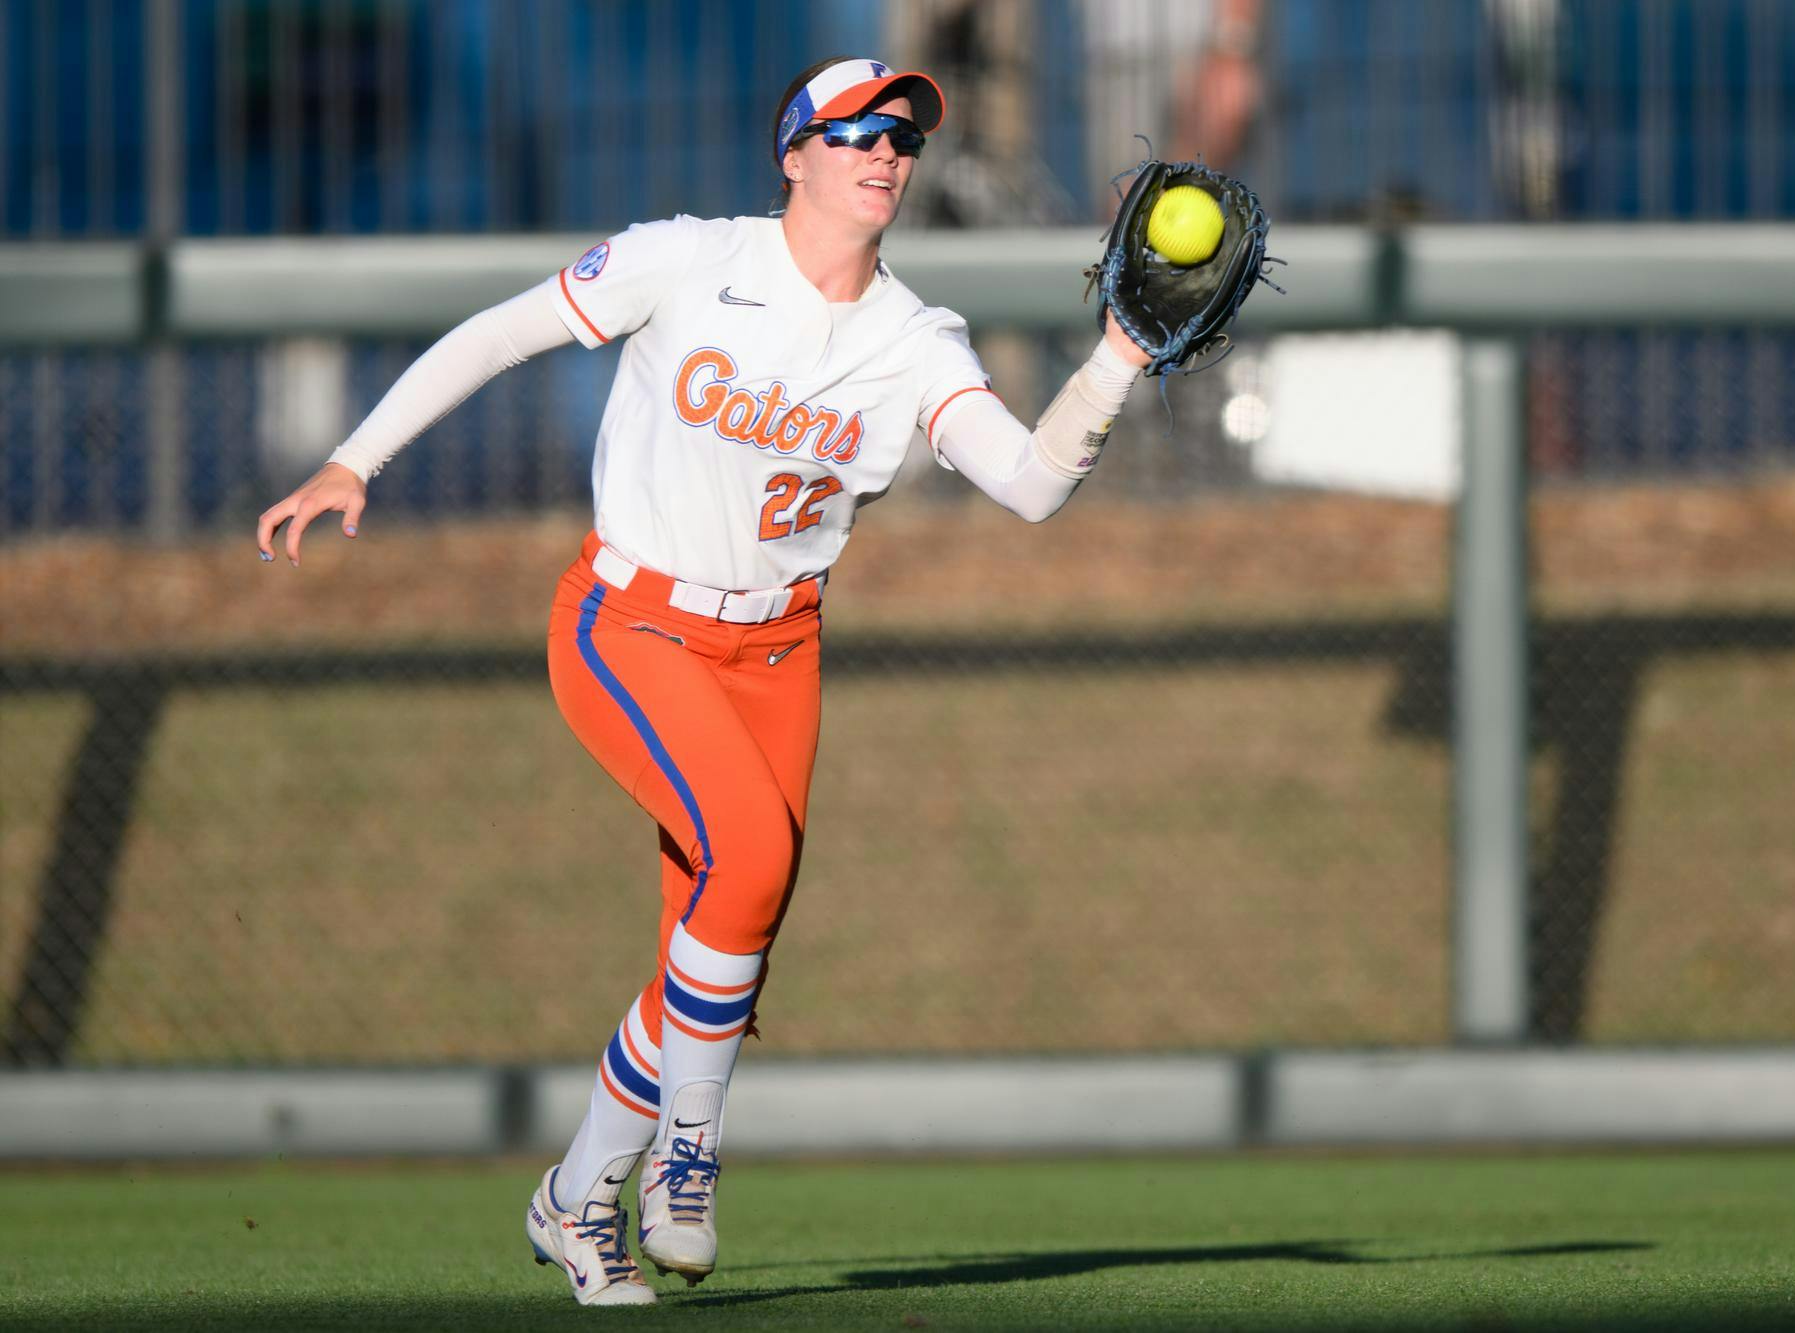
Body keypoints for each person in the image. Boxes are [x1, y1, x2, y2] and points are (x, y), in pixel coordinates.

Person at [255, 56, 1150, 1307]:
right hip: (629, 623)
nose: (886, 153)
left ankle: (575, 1202)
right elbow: (503, 332)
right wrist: (356, 459)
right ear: (793, 154)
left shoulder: (913, 338)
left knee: (722, 942)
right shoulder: (687, 259)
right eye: (855, 132)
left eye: (903, 136)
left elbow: (1033, 484)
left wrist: (1114, 357)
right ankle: (686, 1159)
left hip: (779, 648)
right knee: (750, 861)